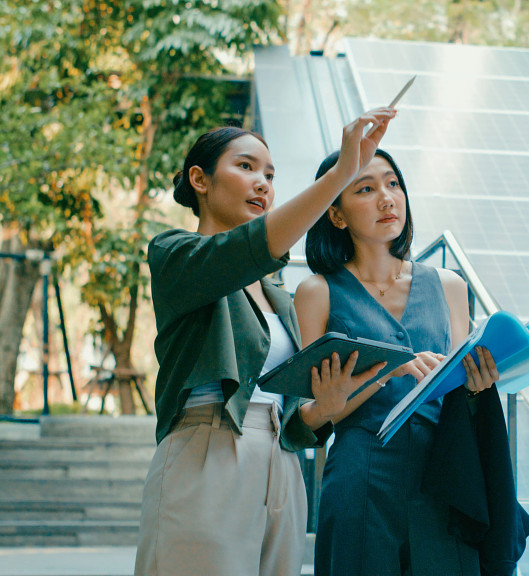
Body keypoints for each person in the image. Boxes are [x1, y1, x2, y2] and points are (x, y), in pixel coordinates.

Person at [133, 107, 396, 576]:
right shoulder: (175, 256)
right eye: (246, 167)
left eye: (271, 175)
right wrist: (341, 175)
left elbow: (296, 423)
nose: (263, 184)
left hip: (282, 464)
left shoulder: (280, 297)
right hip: (206, 453)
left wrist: (329, 406)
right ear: (200, 179)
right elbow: (252, 249)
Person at [293, 149, 502, 576]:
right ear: (336, 215)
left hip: (443, 477)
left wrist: (480, 386)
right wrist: (387, 369)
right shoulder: (317, 292)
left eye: (393, 183)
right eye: (366, 189)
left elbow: (460, 395)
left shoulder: (449, 285)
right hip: (359, 477)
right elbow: (310, 414)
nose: (387, 198)